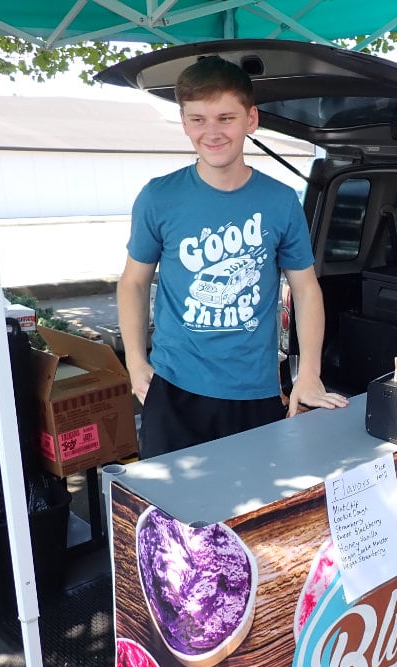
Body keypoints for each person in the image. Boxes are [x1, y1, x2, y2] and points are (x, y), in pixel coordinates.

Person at [117, 55, 348, 460]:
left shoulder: (280, 201)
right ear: (185, 122)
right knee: (170, 501)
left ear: (250, 119)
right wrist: (136, 363)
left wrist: (309, 373)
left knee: (254, 499)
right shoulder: (158, 197)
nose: (212, 132)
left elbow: (306, 288)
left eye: (225, 118)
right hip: (173, 391)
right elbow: (133, 282)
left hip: (254, 393)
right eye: (198, 119)